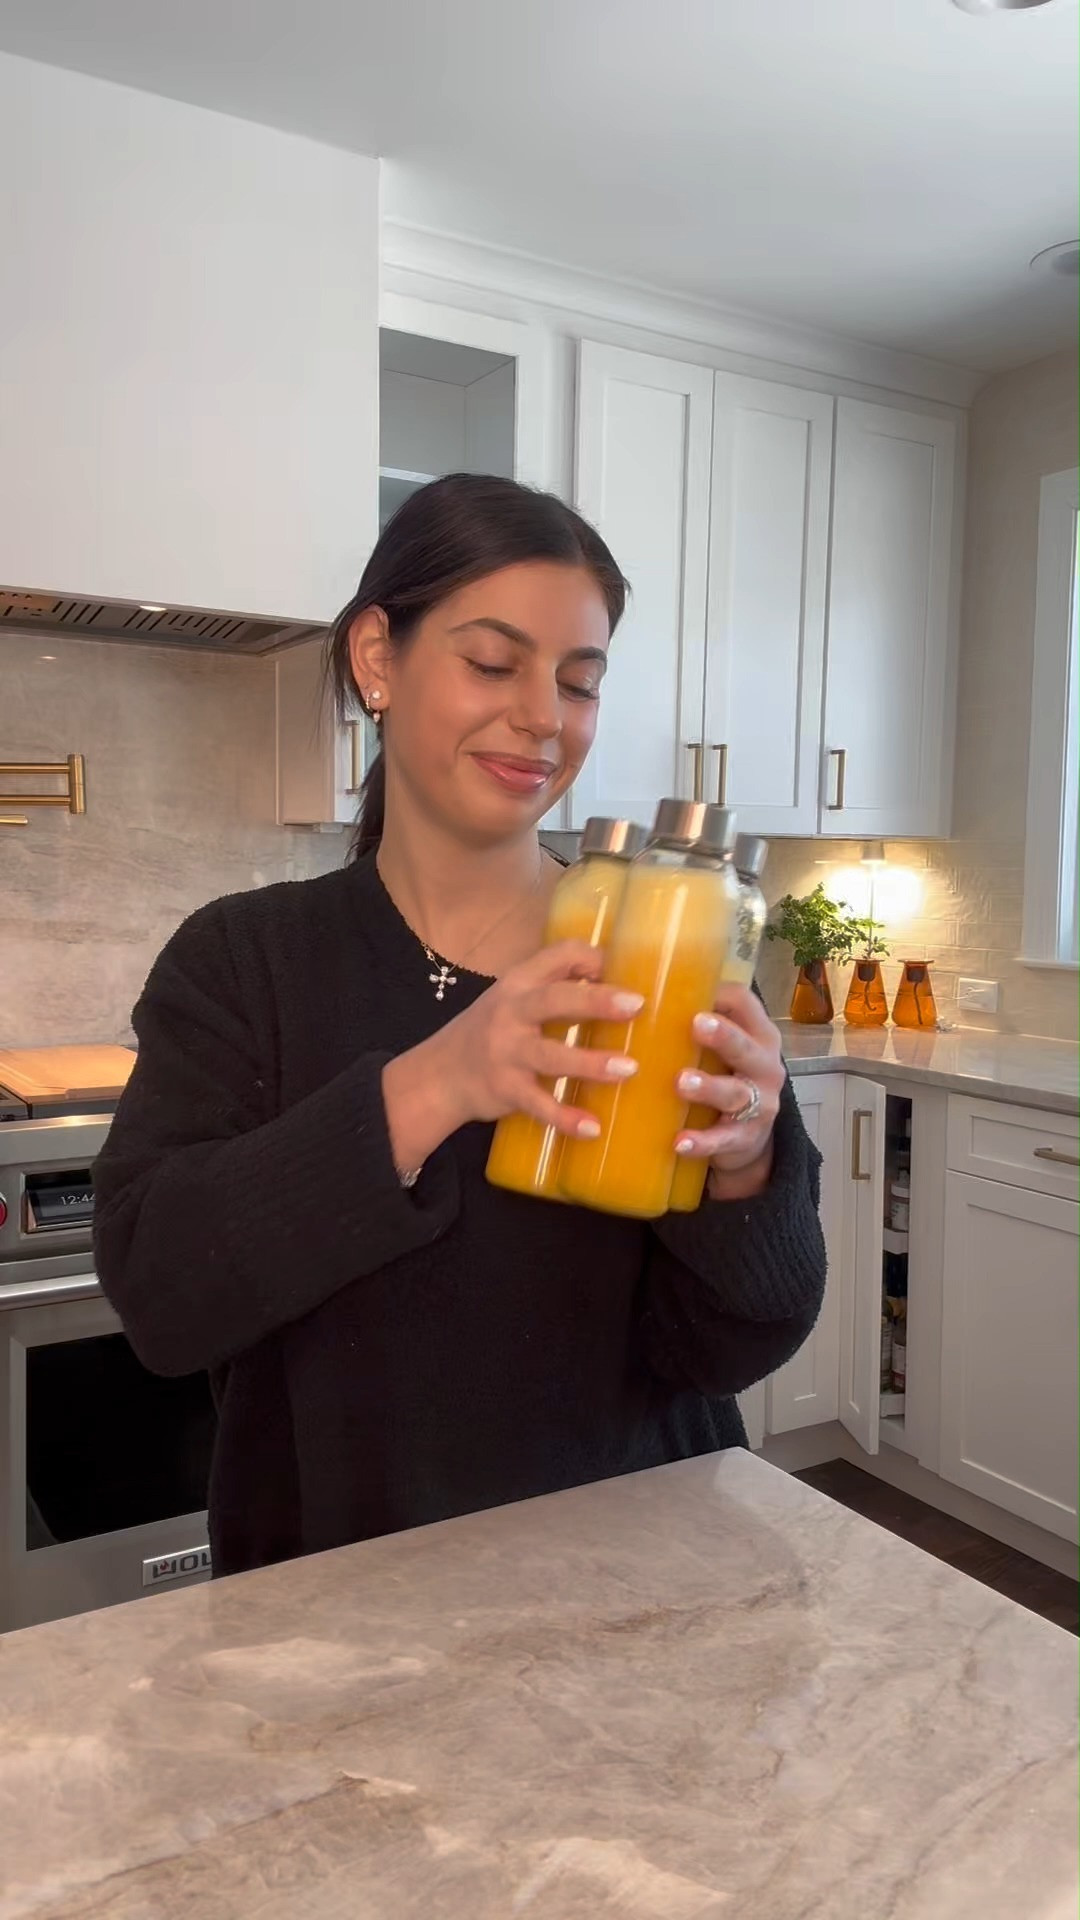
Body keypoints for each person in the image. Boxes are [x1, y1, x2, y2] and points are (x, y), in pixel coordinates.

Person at [93, 473, 826, 1578]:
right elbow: (162, 1298)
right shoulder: (245, 962)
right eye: (494, 663)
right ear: (378, 659)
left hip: (640, 1595)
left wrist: (747, 1170)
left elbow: (730, 1347)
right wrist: (434, 1086)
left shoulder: (658, 951)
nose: (544, 717)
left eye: (580, 685)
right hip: (339, 1615)